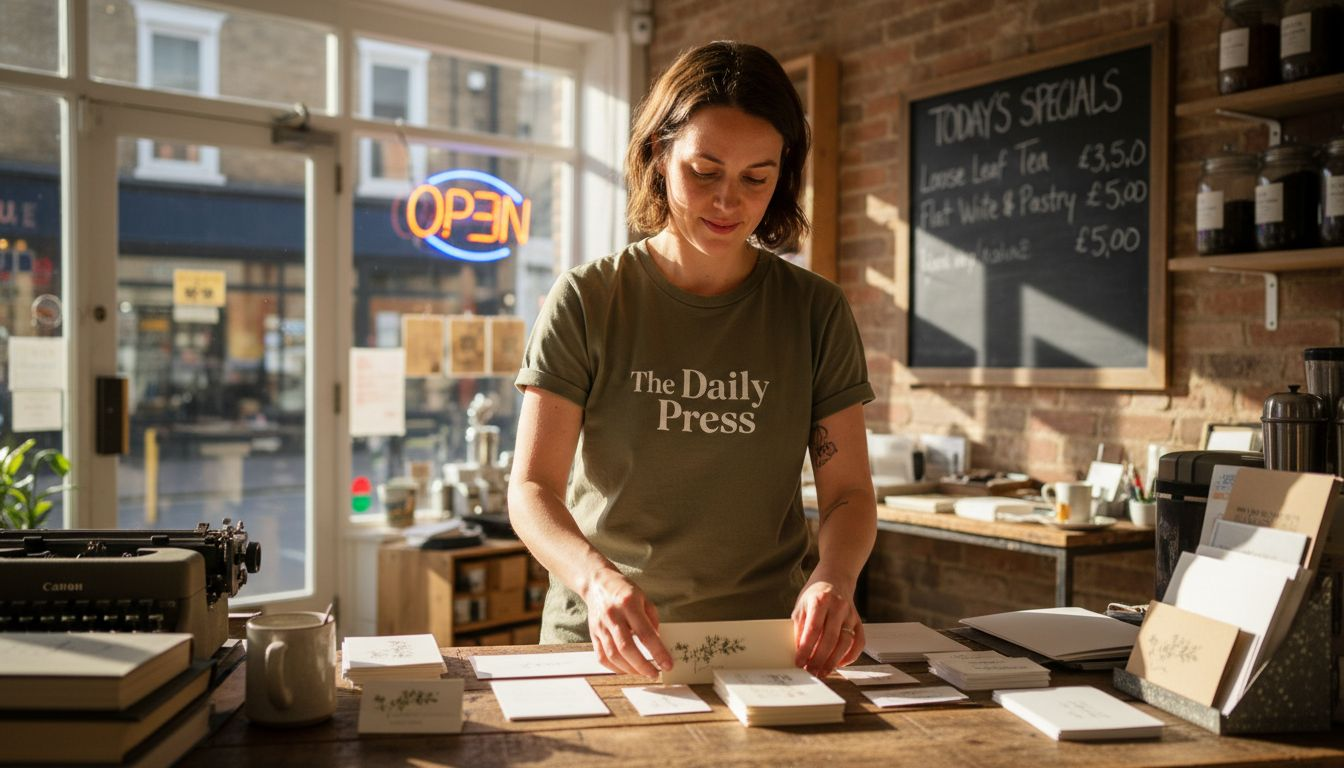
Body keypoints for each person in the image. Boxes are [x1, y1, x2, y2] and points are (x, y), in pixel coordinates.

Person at [508, 40, 877, 680]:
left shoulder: (815, 311)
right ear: (658, 155)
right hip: (605, 641)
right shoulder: (588, 300)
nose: (727, 202)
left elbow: (847, 493)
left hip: (764, 642)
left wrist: (834, 578)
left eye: (756, 178)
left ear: (782, 174)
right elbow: (532, 489)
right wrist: (595, 583)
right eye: (703, 171)